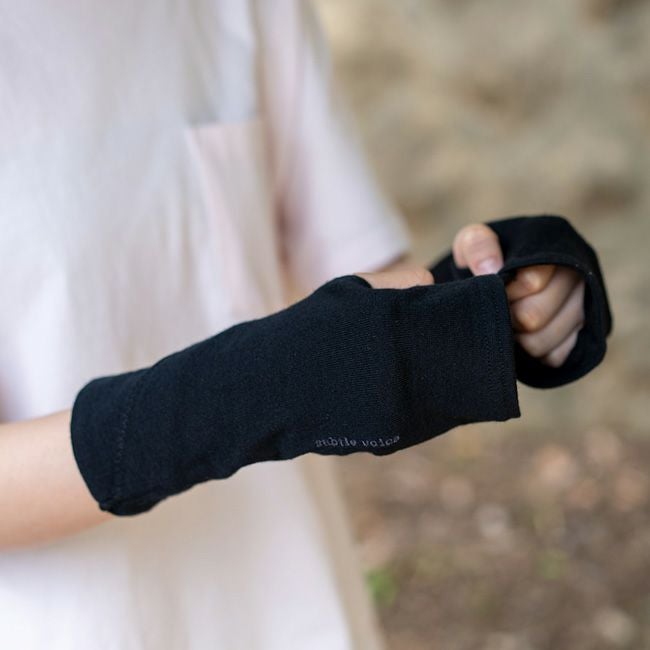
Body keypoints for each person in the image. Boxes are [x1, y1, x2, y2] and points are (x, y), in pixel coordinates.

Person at [0, 1, 588, 648]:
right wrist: (269, 384)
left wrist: (501, 297)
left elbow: (362, 288)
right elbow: (303, 361)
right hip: (70, 624)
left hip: (294, 600)